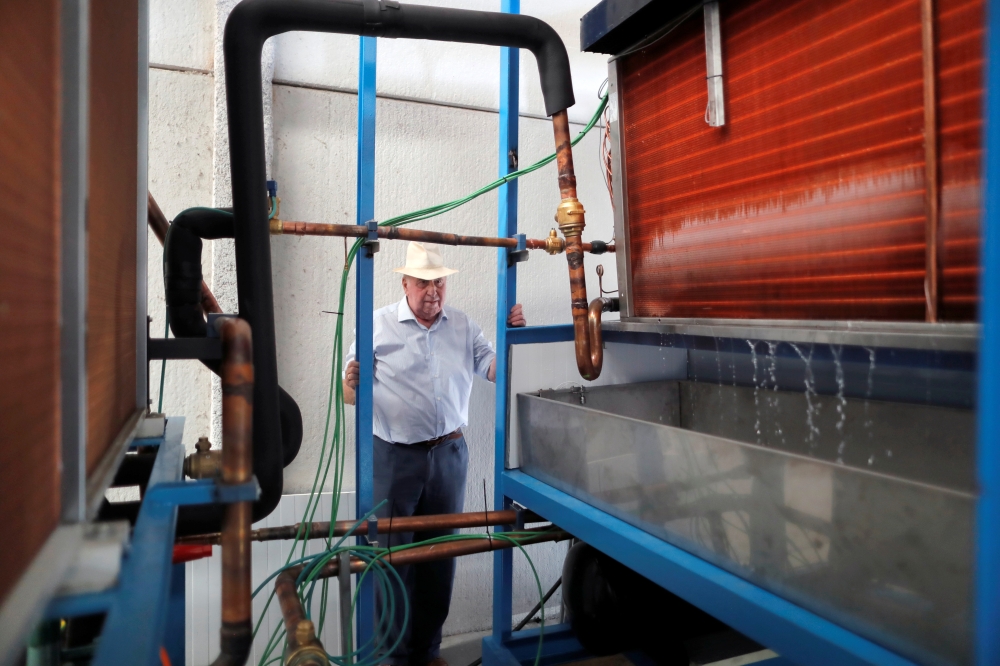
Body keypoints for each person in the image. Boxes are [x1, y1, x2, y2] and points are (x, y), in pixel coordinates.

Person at [344, 242, 526, 666]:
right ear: (405, 282)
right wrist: (352, 383)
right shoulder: (377, 326)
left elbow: (497, 369)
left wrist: (512, 337)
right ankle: (389, 658)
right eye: (424, 282)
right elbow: (349, 395)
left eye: (439, 281)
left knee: (439, 555)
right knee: (389, 559)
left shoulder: (463, 326)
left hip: (449, 455)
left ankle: (427, 652)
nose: (433, 291)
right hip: (393, 457)